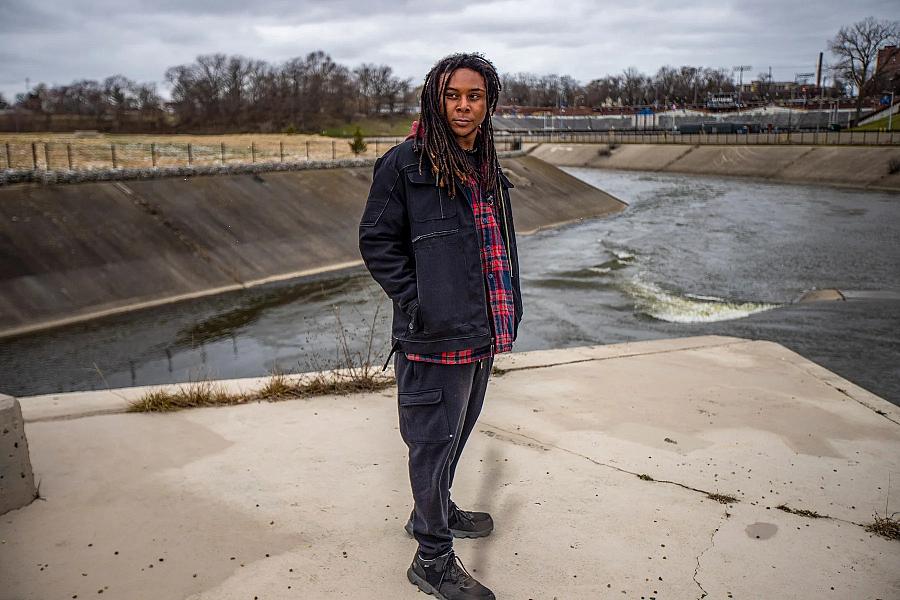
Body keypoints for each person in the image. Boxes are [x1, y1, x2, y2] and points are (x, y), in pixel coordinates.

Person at [358, 53, 523, 600]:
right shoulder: (406, 163)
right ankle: (432, 559)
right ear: (435, 98)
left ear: (488, 103)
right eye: (452, 95)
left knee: (456, 434)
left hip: (482, 332)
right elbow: (377, 242)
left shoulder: (487, 165)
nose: (463, 105)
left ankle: (436, 508)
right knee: (430, 443)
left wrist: (506, 313)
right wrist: (419, 304)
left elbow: (495, 247)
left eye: (473, 95)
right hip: (433, 338)